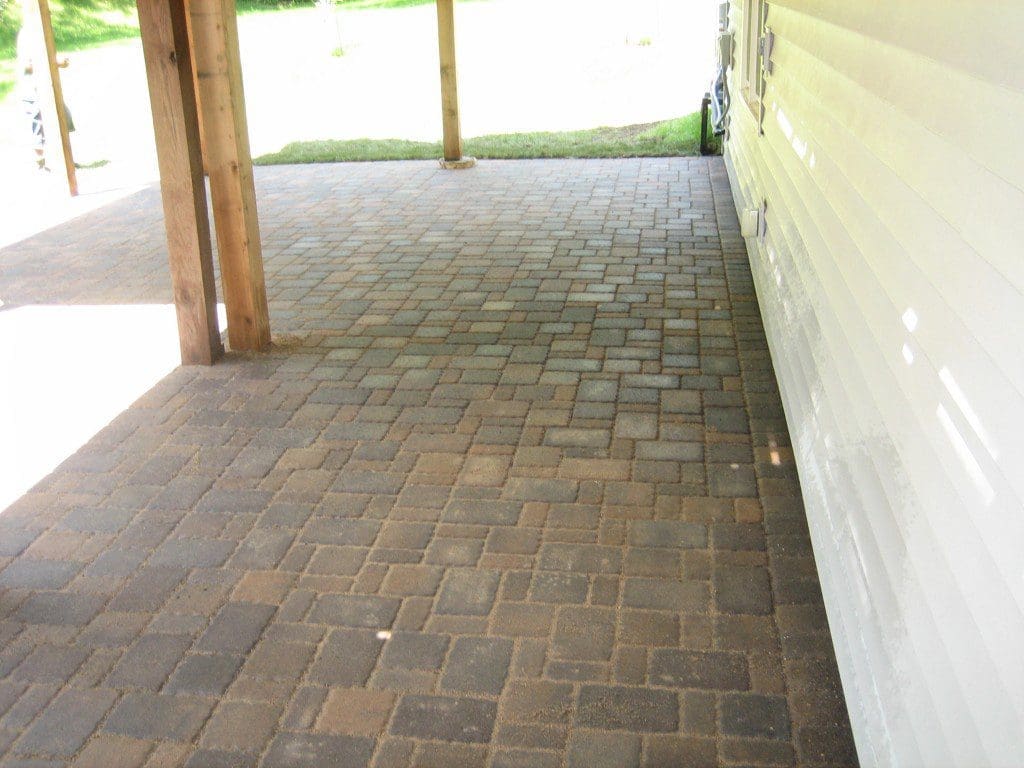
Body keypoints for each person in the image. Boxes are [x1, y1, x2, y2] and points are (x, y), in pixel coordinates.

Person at [16, 22, 72, 171]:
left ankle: (65, 159)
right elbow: (27, 64)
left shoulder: (41, 31)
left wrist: (57, 61)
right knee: (38, 125)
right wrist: (54, 62)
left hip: (47, 87)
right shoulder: (28, 34)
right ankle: (41, 162)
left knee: (62, 117)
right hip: (33, 88)